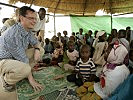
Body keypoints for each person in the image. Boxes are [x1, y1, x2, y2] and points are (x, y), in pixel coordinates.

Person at [0, 6, 43, 92]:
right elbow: (24, 60)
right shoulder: (13, 34)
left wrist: (37, 50)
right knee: (26, 68)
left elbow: (36, 42)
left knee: (41, 50)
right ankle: (6, 80)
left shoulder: (27, 30)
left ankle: (24, 73)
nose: (34, 21)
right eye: (31, 18)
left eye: (35, 19)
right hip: (3, 60)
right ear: (21, 18)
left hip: (15, 58)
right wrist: (32, 80)